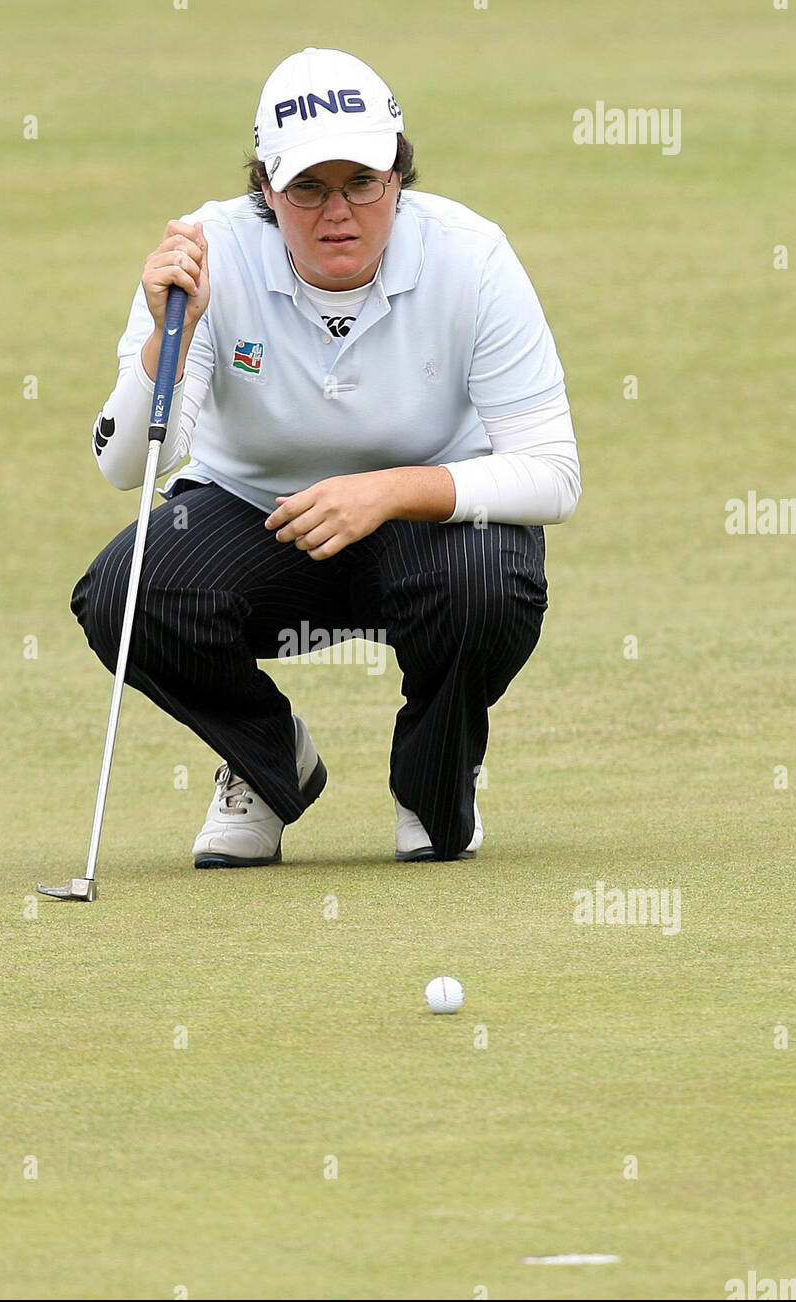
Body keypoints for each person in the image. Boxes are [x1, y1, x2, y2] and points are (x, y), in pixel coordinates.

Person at [72, 46, 581, 867]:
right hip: (256, 515)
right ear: (266, 190)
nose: (335, 210)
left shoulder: (471, 255)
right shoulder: (207, 255)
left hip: (432, 536)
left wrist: (384, 493)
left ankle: (433, 783)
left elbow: (553, 475)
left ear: (397, 178)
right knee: (123, 596)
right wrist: (173, 334)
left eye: (361, 183)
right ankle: (268, 763)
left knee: (491, 583)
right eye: (306, 187)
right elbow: (128, 468)